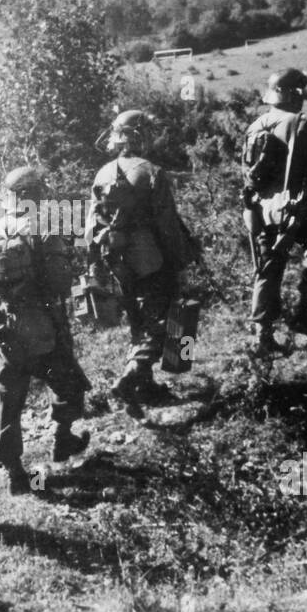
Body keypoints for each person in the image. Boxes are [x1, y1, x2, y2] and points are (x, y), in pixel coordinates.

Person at [0, 167, 92, 494]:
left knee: (8, 401)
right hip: (44, 327)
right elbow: (60, 283)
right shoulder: (43, 229)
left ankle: (16, 476)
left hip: (4, 332)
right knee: (67, 379)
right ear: (35, 195)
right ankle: (63, 439)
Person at [86, 110, 200, 404]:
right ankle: (131, 374)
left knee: (137, 321)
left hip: (116, 260)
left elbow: (90, 227)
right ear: (141, 135)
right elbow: (168, 226)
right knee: (166, 319)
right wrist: (180, 263)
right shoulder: (151, 171)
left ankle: (145, 388)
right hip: (151, 258)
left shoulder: (102, 173)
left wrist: (97, 264)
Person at [241, 69, 307, 358]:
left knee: (267, 270)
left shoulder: (255, 125)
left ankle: (262, 335)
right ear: (295, 94)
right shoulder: (302, 123)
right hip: (296, 207)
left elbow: (246, 174)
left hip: (262, 210)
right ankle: (304, 314)